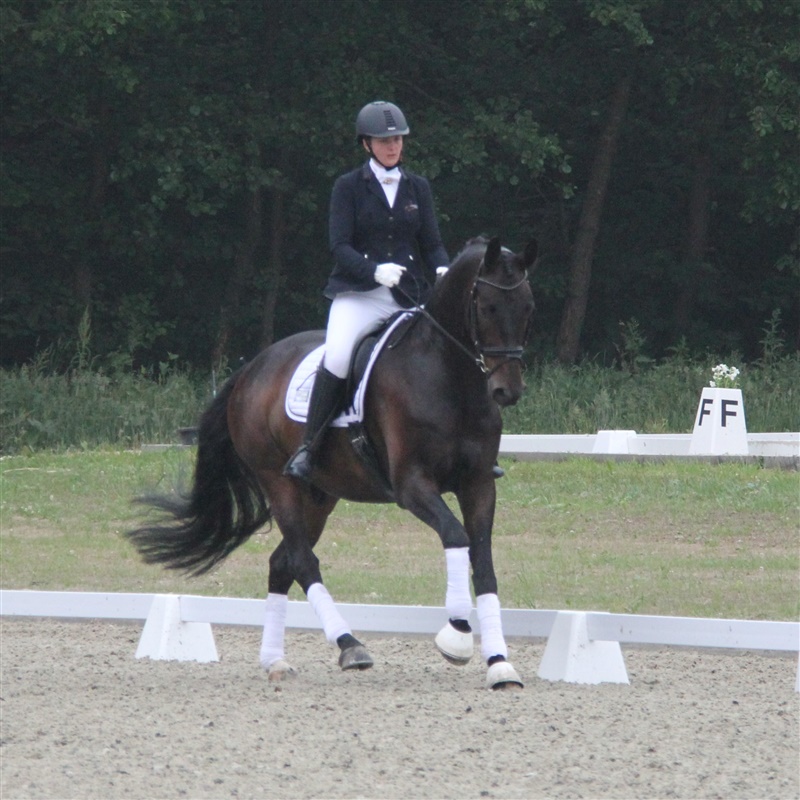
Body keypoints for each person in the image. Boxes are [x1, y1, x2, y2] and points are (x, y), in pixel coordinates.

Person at [284, 100, 450, 481]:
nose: (393, 146)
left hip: (408, 295)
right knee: (339, 357)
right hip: (359, 295)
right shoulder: (348, 187)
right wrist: (374, 271)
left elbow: (432, 244)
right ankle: (310, 448)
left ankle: (463, 445)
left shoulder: (417, 187)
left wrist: (443, 266)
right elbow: (339, 246)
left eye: (398, 140)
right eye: (384, 141)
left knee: (446, 352)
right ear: (367, 144)